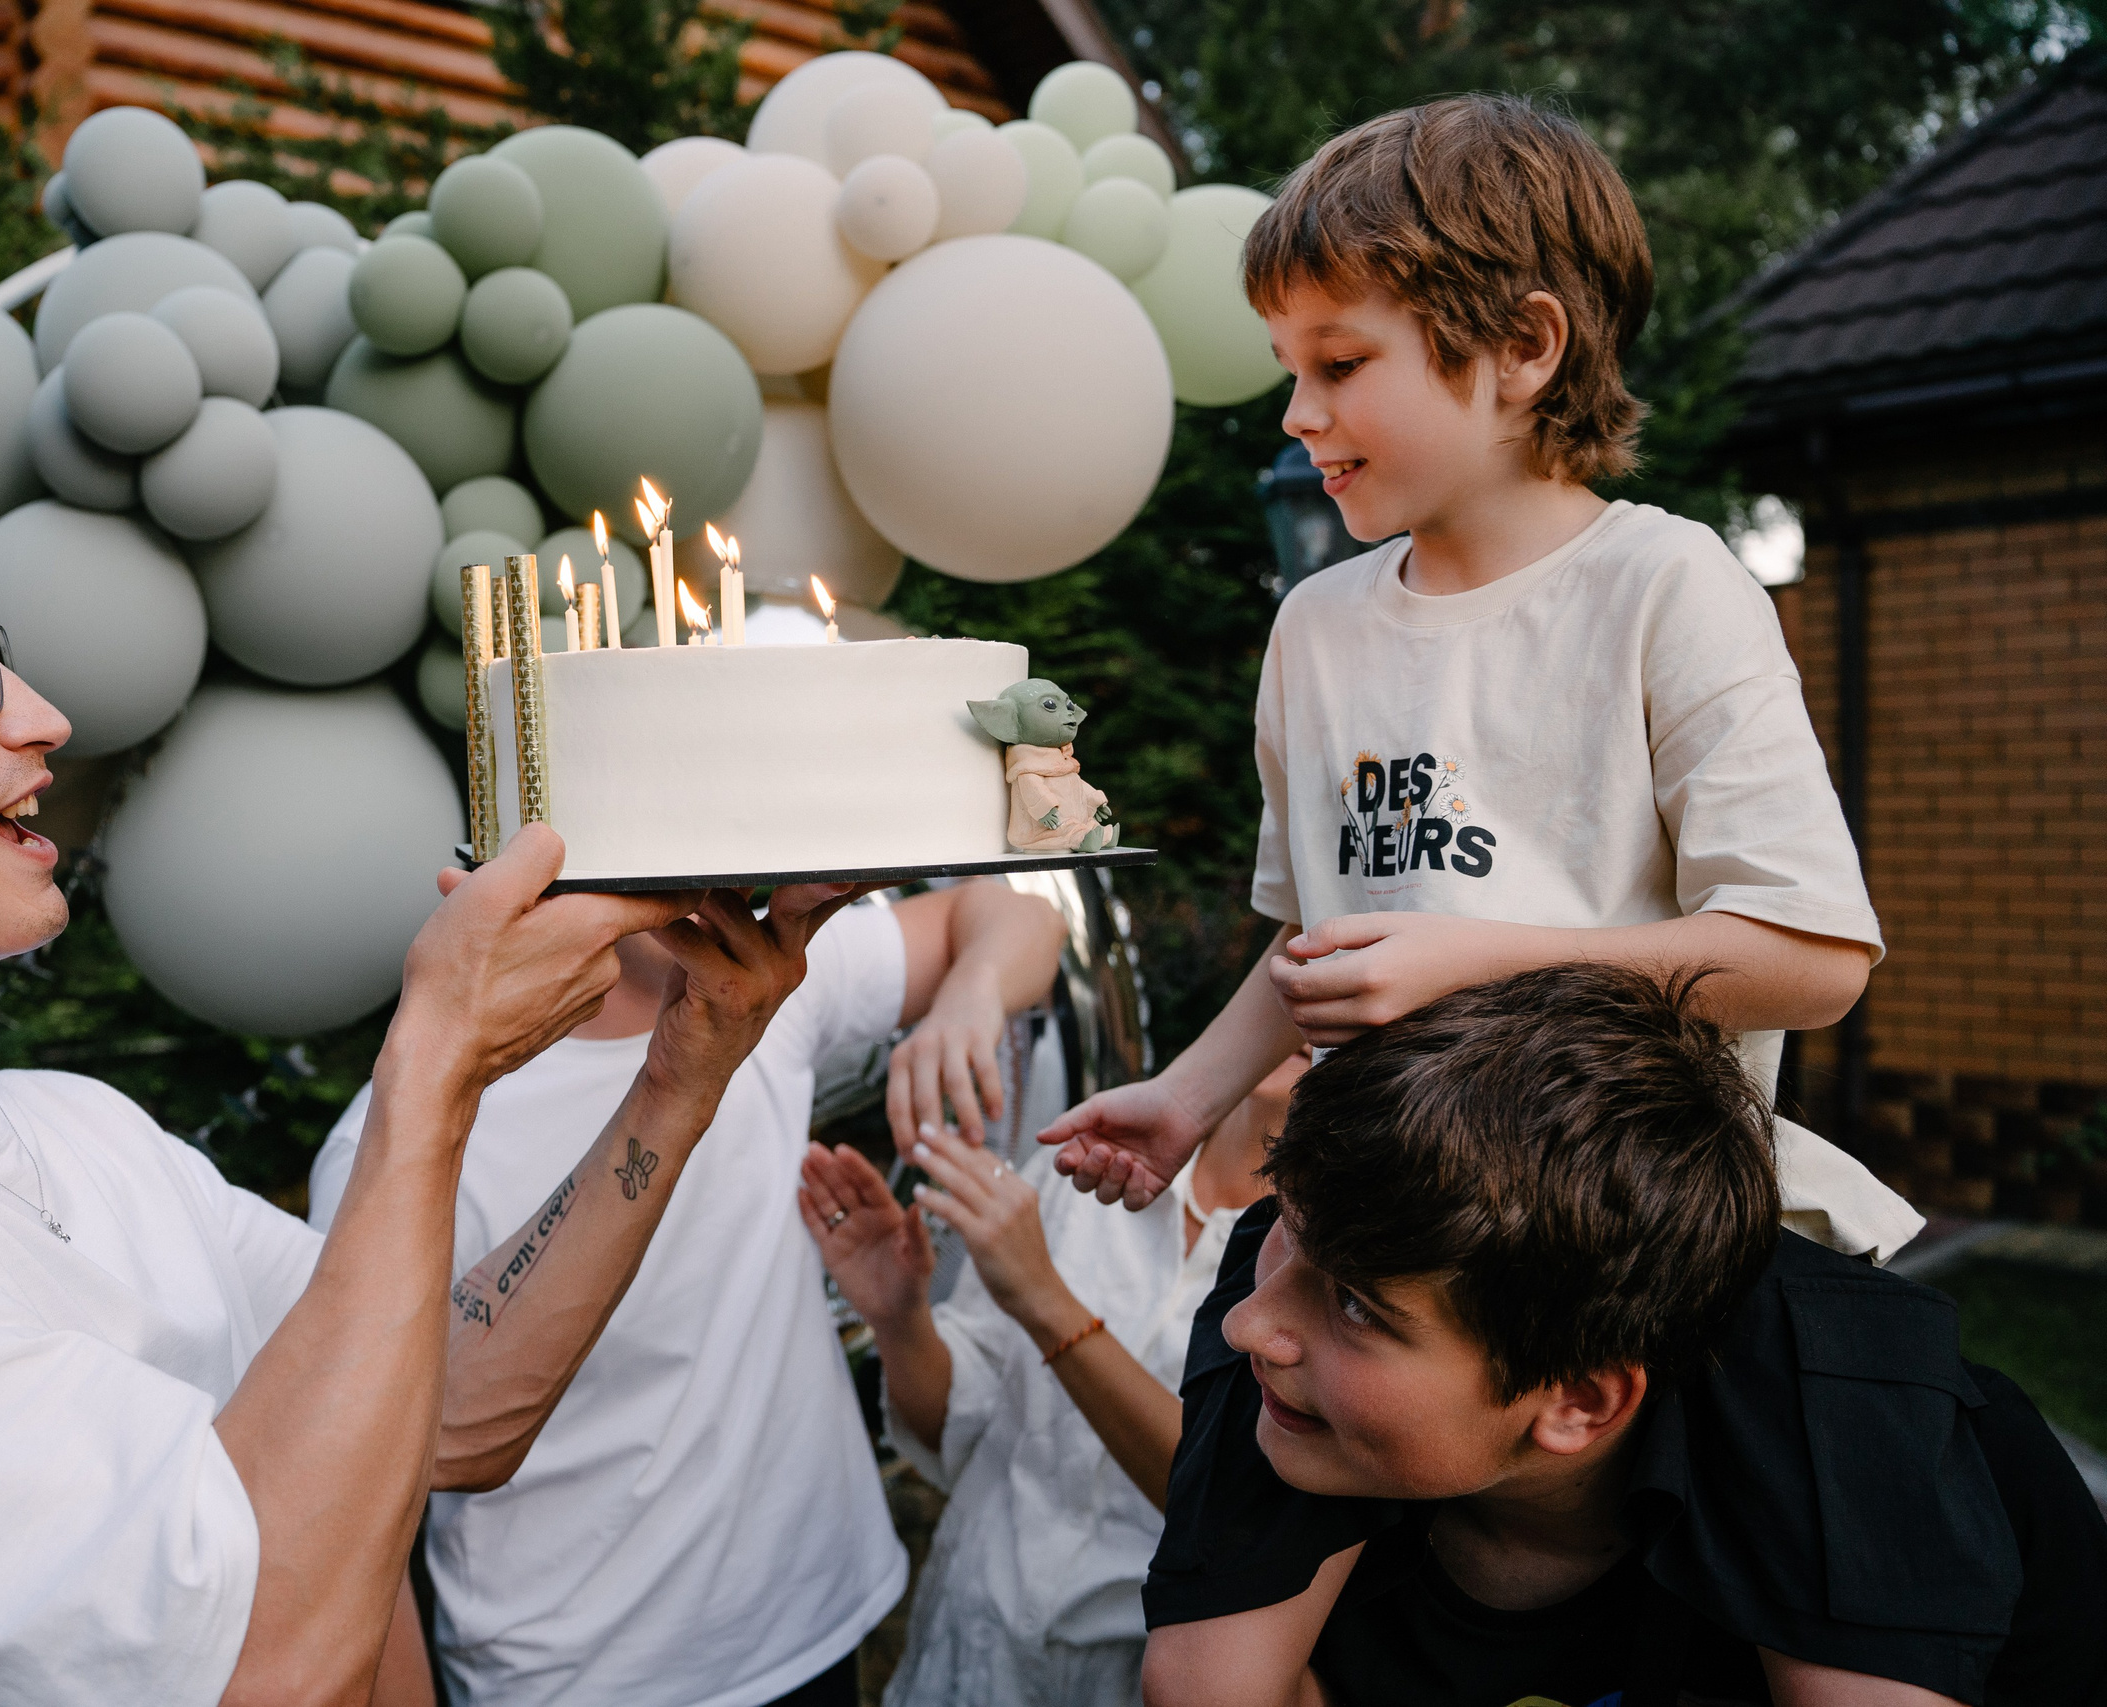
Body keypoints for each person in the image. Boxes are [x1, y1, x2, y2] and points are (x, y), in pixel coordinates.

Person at [0, 431, 864, 1705]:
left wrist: (687, 1068)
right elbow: (255, 1665)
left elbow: (450, 1406)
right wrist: (435, 1061)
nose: (48, 718)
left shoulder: (83, 1128)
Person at [1043, 95, 1917, 1267]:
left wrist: (1476, 958)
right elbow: (1320, 938)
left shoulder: (1665, 585)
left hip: (1612, 1255)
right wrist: (1188, 1097)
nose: (1300, 416)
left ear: (1523, 347)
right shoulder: (1313, 627)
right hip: (1387, 1235)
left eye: (1341, 362)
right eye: (1288, 369)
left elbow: (1809, 963)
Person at [1141, 964, 2107, 1706]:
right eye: (1282, 1240)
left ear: (1581, 1400)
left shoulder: (1903, 1460)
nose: (1246, 1324)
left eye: (1357, 1305)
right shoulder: (1300, 1407)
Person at [306, 878, 1067, 1707]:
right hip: (585, 1674)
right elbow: (359, 1500)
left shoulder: (766, 975)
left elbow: (1015, 912)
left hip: (808, 1617)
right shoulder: (399, 1145)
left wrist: (970, 994)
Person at [802, 1051, 1308, 1706]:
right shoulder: (1094, 1158)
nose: (1312, 962)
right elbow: (958, 1429)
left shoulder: (1327, 1269)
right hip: (964, 1658)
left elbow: (1235, 1504)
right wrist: (900, 1316)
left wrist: (1046, 1300)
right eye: (1297, 944)